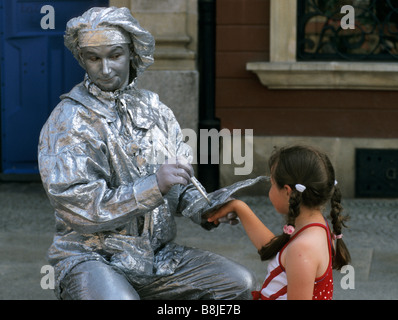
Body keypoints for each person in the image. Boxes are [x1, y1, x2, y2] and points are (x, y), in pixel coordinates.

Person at [38, 6, 255, 300]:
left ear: (132, 53)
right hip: (92, 256)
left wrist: (206, 208)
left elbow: (179, 183)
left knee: (237, 284)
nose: (105, 69)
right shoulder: (68, 121)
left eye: (114, 55)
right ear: (83, 60)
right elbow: (82, 209)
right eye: (94, 58)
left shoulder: (155, 109)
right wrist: (154, 185)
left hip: (156, 258)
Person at [208, 145, 351, 300]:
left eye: (272, 183)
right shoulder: (316, 226)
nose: (270, 189)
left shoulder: (302, 249)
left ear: (288, 191)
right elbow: (279, 251)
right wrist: (239, 207)